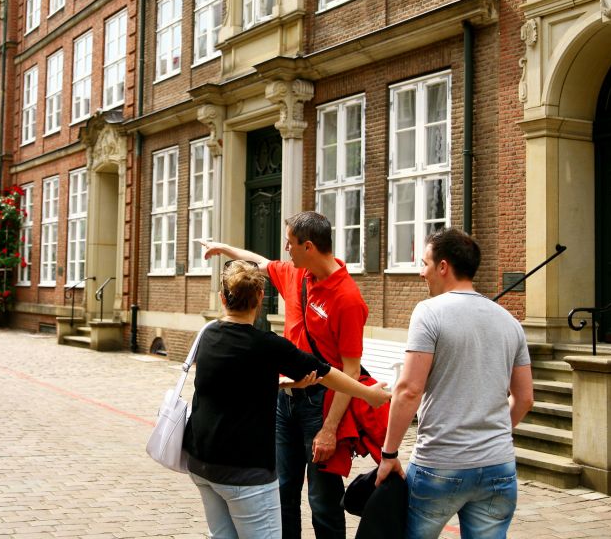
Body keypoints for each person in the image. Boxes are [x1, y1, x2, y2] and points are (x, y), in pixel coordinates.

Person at [183, 260, 391, 539]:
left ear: (223, 298)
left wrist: (286, 383)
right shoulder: (267, 345)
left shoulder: (206, 336)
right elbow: (326, 372)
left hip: (202, 464)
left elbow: (236, 379)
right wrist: (369, 394)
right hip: (245, 472)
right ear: (259, 298)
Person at [374, 228, 534, 539]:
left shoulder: (429, 313)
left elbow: (408, 390)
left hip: (440, 464)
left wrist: (389, 455)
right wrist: (494, 437)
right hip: (498, 465)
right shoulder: (510, 322)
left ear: (443, 266)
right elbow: (525, 398)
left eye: (425, 263)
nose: (422, 272)